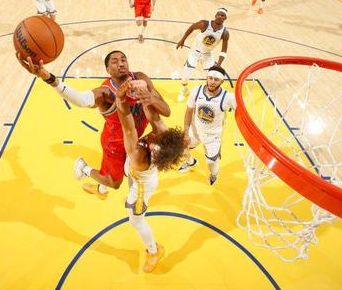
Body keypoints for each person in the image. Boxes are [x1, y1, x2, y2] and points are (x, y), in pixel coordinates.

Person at [15, 50, 170, 200]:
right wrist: (48, 78)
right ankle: (84, 168)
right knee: (114, 183)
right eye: (115, 62)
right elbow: (81, 100)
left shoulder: (140, 78)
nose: (121, 63)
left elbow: (166, 111)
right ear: (108, 70)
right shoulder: (105, 92)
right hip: (115, 143)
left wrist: (150, 98)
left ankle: (100, 189)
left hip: (134, 137)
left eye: (123, 60)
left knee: (134, 166)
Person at [114, 78, 186, 273]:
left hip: (142, 184)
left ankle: (154, 251)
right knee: (124, 171)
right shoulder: (164, 136)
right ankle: (103, 186)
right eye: (156, 138)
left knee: (135, 220)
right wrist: (144, 95)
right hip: (141, 173)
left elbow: (127, 126)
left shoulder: (139, 157)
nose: (153, 136)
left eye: (154, 144)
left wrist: (120, 99)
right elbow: (154, 117)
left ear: (155, 152)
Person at [179, 66, 236, 184]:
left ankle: (214, 174)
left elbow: (242, 112)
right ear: (207, 78)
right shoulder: (196, 91)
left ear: (222, 81)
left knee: (211, 163)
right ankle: (190, 162)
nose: (212, 82)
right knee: (180, 147)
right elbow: (188, 112)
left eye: (216, 79)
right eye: (210, 78)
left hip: (213, 136)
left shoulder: (229, 97)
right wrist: (186, 134)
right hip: (195, 130)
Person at [175, 9, 230, 102]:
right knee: (186, 73)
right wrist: (182, 40)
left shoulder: (225, 33)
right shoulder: (204, 24)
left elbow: (224, 50)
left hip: (208, 55)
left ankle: (208, 93)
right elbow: (192, 27)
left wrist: (219, 64)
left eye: (222, 15)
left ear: (225, 18)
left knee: (211, 75)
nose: (220, 17)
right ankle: (184, 89)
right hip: (195, 52)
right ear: (215, 15)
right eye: (219, 14)